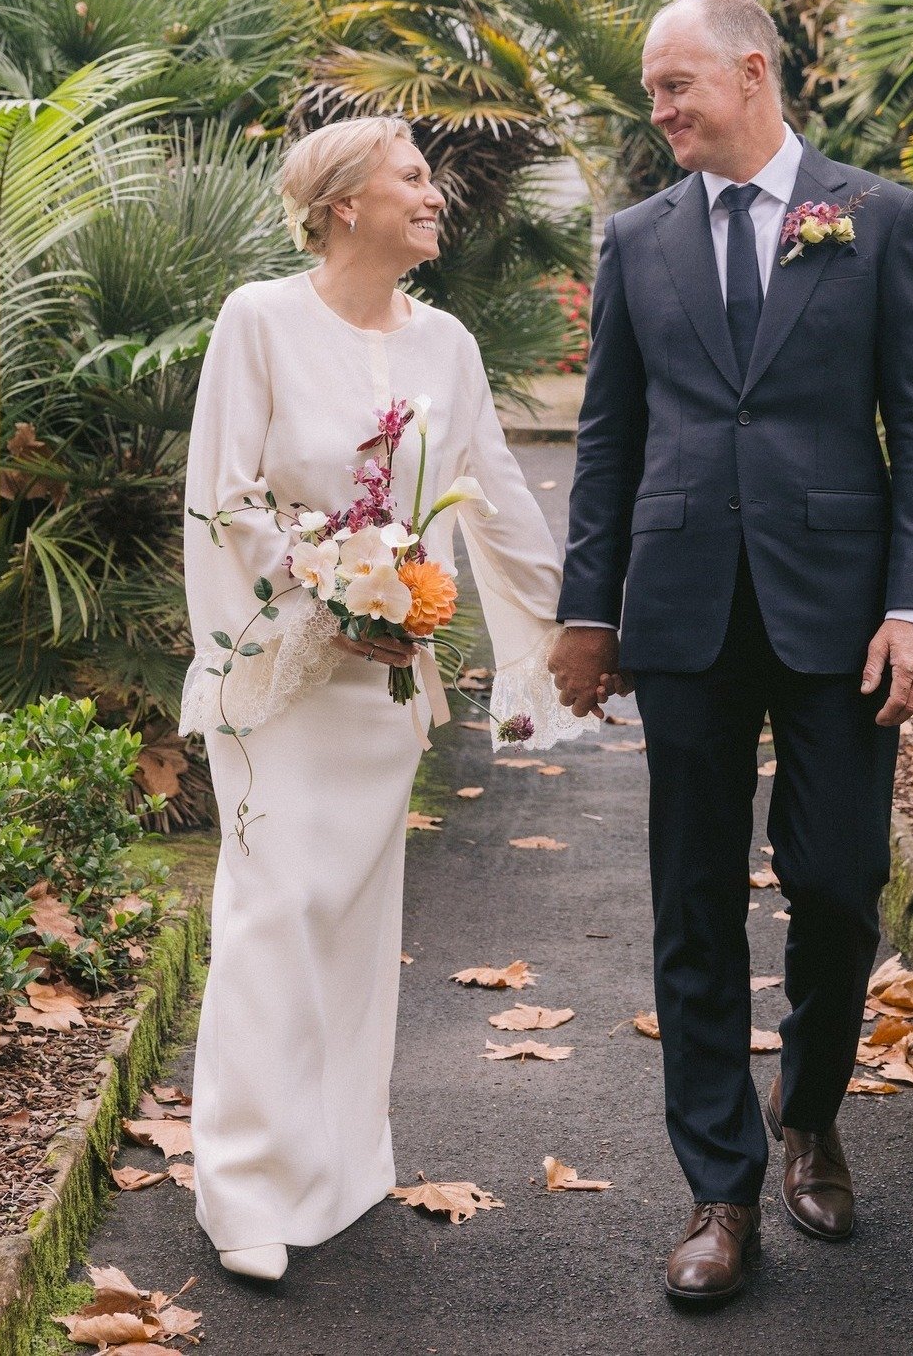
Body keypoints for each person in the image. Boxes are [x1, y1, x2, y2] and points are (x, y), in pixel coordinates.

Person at [549, 0, 913, 1305]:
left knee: (839, 881)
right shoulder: (635, 238)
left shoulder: (874, 217)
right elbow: (609, 436)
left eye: (674, 84)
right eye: (651, 90)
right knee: (691, 893)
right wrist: (586, 606)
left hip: (839, 607)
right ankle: (719, 1185)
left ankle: (812, 1110)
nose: (657, 108)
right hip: (681, 606)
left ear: (750, 69)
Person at [180, 116, 591, 1283]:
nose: (434, 198)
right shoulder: (257, 320)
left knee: (355, 919)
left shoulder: (449, 344)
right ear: (342, 201)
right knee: (272, 909)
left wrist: (575, 631)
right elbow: (224, 497)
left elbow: (494, 496)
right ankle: (246, 1187)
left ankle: (342, 1163)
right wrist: (327, 593)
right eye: (412, 179)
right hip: (280, 675)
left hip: (385, 681)